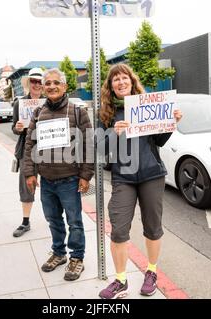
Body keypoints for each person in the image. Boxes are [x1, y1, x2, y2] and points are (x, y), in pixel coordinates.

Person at [97, 64, 182, 299]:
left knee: (153, 227)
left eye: (124, 78)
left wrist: (172, 122)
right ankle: (121, 280)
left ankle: (151, 272)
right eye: (116, 80)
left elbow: (161, 140)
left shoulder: (147, 106)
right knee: (119, 229)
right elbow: (100, 149)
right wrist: (112, 133)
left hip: (151, 175)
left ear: (132, 82)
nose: (121, 82)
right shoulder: (105, 113)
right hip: (123, 177)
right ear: (110, 86)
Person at [24, 68, 94, 281]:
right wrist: (30, 172)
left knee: (74, 221)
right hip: (46, 180)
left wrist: (85, 175)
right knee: (52, 219)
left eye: (56, 83)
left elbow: (89, 144)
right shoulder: (37, 113)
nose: (52, 86)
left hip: (70, 179)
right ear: (44, 88)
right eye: (48, 83)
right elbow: (30, 144)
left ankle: (77, 258)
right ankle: (59, 253)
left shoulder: (77, 111)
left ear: (64, 86)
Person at [11, 67, 44, 237]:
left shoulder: (49, 103)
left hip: (47, 150)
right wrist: (17, 128)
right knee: (26, 184)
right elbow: (15, 128)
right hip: (27, 149)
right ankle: (25, 221)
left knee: (52, 185)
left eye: (40, 81)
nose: (37, 84)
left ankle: (55, 219)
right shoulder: (19, 103)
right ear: (29, 83)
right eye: (34, 81)